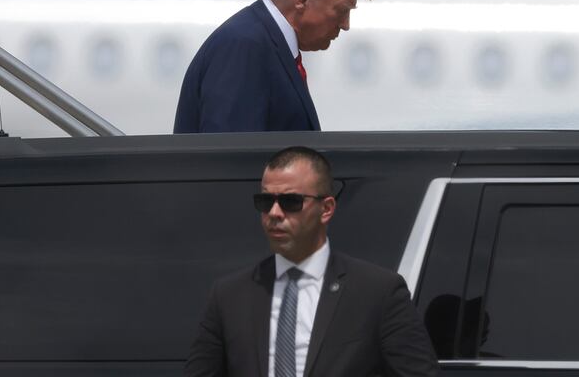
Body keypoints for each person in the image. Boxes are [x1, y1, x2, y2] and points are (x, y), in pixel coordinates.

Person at [185, 146, 439, 377]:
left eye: (290, 201)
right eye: (265, 201)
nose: (274, 213)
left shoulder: (378, 292)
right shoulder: (230, 295)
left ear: (326, 208)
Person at [173, 0, 372, 133]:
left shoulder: (266, 43)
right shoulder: (245, 45)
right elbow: (230, 159)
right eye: (341, 10)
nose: (345, 25)